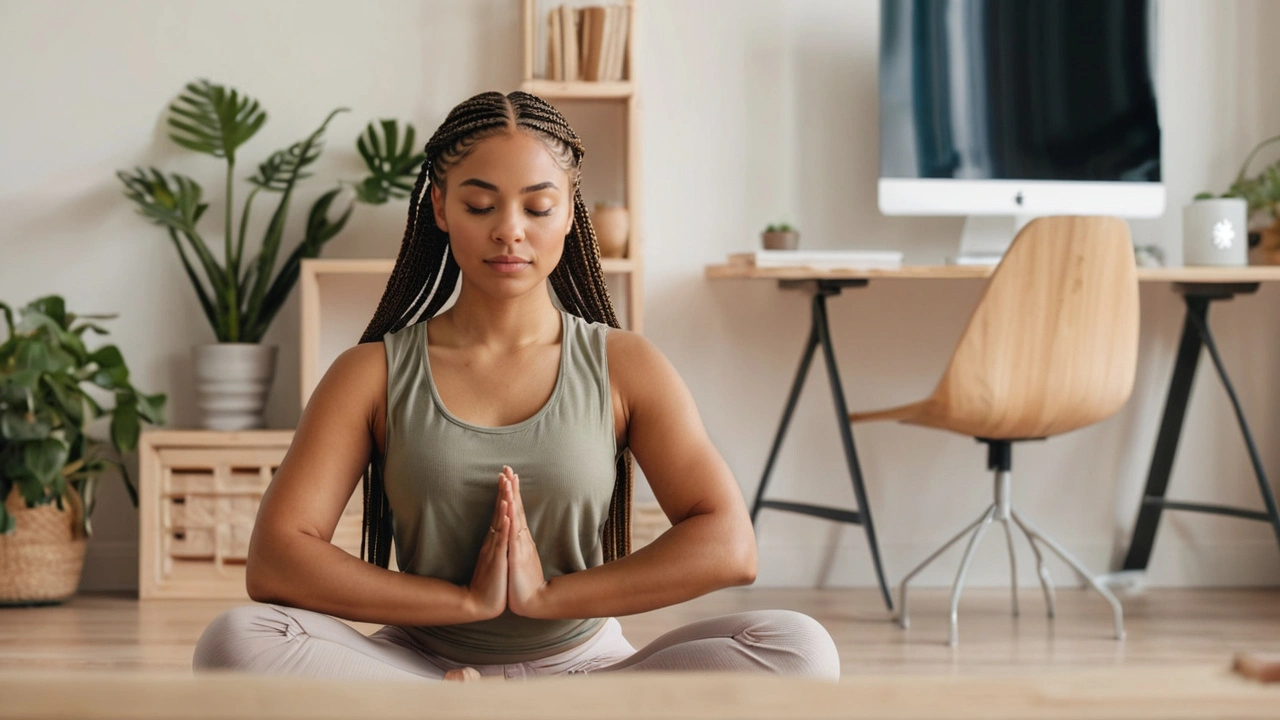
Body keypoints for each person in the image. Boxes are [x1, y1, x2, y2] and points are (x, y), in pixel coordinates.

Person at [193, 91, 840, 681]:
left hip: (589, 670)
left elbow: (729, 544)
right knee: (237, 641)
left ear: (568, 212)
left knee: (800, 650)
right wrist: (464, 603)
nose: (510, 229)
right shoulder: (372, 373)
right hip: (422, 668)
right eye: (480, 204)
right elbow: (276, 559)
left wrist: (548, 599)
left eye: (537, 205)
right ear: (441, 207)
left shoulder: (625, 364)